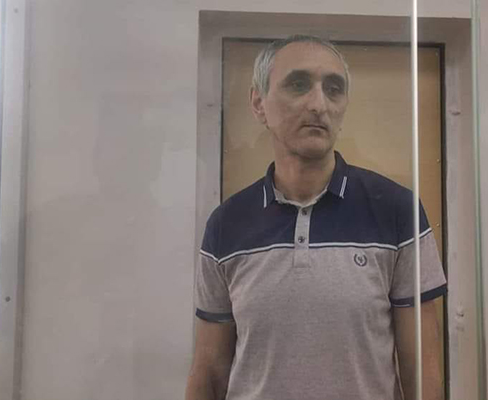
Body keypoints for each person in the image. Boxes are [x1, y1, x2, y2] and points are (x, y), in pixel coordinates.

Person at [185, 35, 447, 400]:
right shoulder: (226, 225)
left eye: (333, 89)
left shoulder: (397, 210)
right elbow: (210, 371)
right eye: (298, 84)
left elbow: (422, 370)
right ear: (259, 103)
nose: (318, 104)